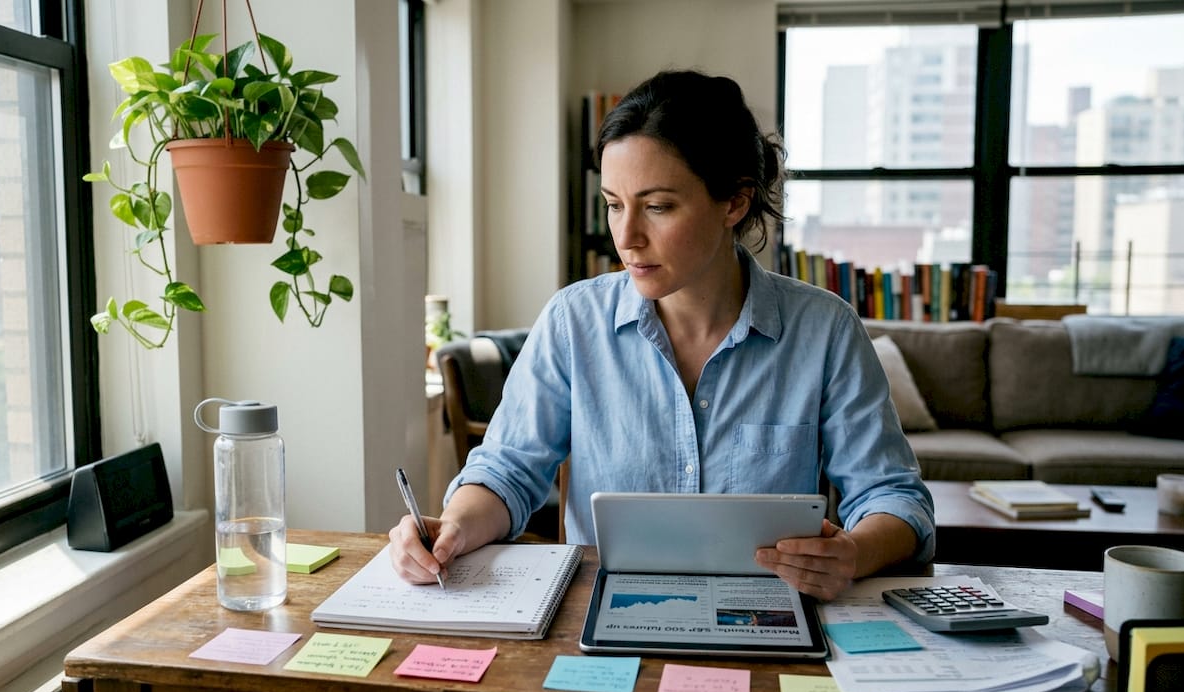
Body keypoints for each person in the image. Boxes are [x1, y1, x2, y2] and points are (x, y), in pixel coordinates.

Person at [390, 69, 935, 601]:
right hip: (607, 614)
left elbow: (894, 498)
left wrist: (854, 554)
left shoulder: (826, 331)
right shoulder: (573, 322)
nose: (626, 237)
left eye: (657, 206)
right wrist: (455, 526)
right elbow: (507, 471)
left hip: (764, 618)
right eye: (613, 205)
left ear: (734, 202)